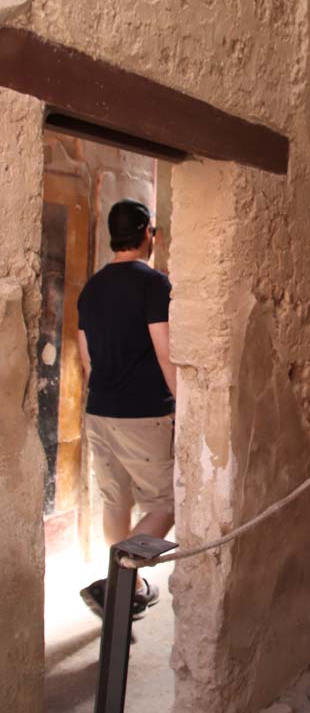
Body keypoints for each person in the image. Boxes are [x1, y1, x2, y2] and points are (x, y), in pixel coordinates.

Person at [77, 198, 176, 620]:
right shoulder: (155, 284)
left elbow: (86, 359)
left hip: (99, 408)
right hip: (145, 413)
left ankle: (129, 586)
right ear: (146, 233)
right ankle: (117, 585)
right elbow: (166, 352)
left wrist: (102, 398)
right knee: (166, 504)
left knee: (115, 502)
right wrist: (184, 406)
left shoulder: (91, 287)